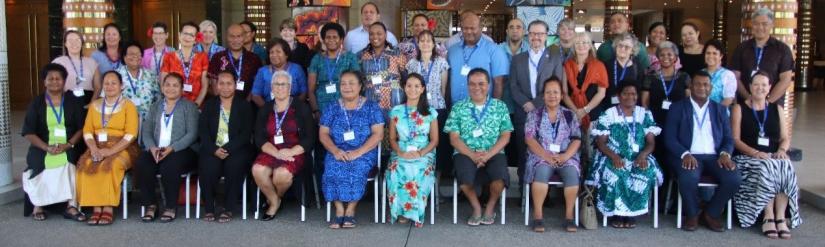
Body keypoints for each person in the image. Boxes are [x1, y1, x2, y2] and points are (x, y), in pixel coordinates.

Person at [664, 71, 741, 232]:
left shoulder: (719, 109)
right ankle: (692, 214)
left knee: (733, 177)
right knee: (688, 175)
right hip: (687, 155)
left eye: (705, 84)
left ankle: (711, 213)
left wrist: (725, 154)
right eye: (697, 84)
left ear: (711, 88)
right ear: (691, 86)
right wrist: (685, 154)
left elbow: (728, 138)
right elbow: (669, 138)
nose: (701, 87)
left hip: (715, 156)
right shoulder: (677, 108)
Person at [731, 72, 800, 238]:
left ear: (769, 87)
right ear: (749, 87)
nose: (760, 88)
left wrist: (782, 151)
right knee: (769, 166)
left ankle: (780, 216)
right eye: (756, 84)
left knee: (785, 165)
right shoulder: (739, 108)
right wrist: (755, 152)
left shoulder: (777, 109)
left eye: (764, 85)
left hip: (773, 156)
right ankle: (768, 215)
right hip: (747, 157)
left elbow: (785, 138)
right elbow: (735, 140)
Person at [586, 81, 663, 229]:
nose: (630, 96)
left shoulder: (644, 114)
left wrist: (643, 156)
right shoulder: (609, 114)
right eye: (626, 93)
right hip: (612, 156)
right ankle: (617, 214)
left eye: (633, 93)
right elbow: (601, 143)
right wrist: (614, 157)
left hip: (639, 156)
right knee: (617, 173)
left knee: (645, 172)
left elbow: (651, 143)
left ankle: (631, 214)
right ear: (619, 96)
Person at [444, 68, 513, 226]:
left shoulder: (500, 106)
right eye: (472, 84)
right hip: (465, 152)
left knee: (500, 177)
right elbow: (454, 139)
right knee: (464, 176)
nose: (477, 88)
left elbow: (505, 136)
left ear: (488, 85)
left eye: (481, 83)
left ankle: (489, 207)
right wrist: (473, 155)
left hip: (493, 152)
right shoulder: (458, 108)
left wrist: (487, 155)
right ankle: (476, 207)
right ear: (467, 86)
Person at [21, 64, 87, 222]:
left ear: (64, 81)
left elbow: (81, 128)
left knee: (70, 160)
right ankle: (38, 204)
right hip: (43, 145)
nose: (54, 81)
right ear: (44, 82)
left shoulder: (73, 102)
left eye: (58, 78)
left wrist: (69, 144)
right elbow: (28, 132)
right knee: (38, 162)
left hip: (68, 144)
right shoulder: (36, 103)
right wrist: (46, 147)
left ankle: (71, 205)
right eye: (50, 78)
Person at [320, 70, 384, 229]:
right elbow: (323, 134)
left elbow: (378, 134)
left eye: (351, 83)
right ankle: (339, 210)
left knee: (356, 167)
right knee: (332, 167)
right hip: (338, 150)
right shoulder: (331, 107)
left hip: (364, 152)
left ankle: (350, 210)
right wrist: (335, 151)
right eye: (343, 84)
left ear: (360, 86)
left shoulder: (371, 107)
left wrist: (358, 152)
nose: (347, 87)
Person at [76, 71, 140, 225]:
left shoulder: (128, 106)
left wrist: (110, 151)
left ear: (121, 86)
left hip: (123, 147)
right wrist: (93, 149)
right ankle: (96, 208)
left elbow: (131, 134)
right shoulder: (95, 105)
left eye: (113, 83)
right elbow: (87, 130)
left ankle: (108, 208)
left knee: (109, 166)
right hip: (97, 146)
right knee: (86, 165)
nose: (110, 86)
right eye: (106, 83)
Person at [509, 20, 566, 191]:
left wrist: (535, 104)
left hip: (546, 114)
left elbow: (557, 86)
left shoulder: (554, 58)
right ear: (528, 35)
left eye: (540, 34)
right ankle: (523, 192)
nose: (536, 37)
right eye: (533, 33)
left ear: (546, 36)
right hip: (523, 112)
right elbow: (513, 86)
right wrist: (526, 103)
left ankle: (544, 194)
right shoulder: (518, 59)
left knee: (544, 153)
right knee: (523, 153)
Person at [135, 73, 200, 223]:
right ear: (162, 87)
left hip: (183, 150)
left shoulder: (189, 106)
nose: (171, 88)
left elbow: (192, 134)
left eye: (175, 85)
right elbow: (147, 130)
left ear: (182, 89)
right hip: (157, 148)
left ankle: (171, 207)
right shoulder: (155, 106)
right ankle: (151, 205)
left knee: (170, 165)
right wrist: (152, 147)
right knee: (142, 163)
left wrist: (172, 148)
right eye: (167, 85)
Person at [251, 70, 316, 220]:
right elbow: (259, 138)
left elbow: (309, 137)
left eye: (283, 84)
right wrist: (276, 153)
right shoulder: (265, 109)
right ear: (271, 87)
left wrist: (291, 151)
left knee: (282, 175)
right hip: (271, 150)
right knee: (257, 170)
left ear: (290, 87)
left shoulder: (302, 107)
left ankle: (273, 199)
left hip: (295, 152)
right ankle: (275, 201)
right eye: (276, 84)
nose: (280, 87)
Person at [524, 77, 581, 233]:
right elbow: (529, 139)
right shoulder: (534, 115)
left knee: (571, 173)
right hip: (541, 155)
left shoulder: (570, 115)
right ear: (543, 96)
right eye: (548, 92)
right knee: (541, 171)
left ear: (562, 96)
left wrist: (565, 156)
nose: (552, 95)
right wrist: (546, 155)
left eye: (556, 92)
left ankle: (569, 217)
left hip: (565, 156)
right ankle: (538, 217)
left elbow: (576, 139)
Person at [196, 71, 254, 223]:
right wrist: (214, 149)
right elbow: (203, 131)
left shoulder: (244, 105)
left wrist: (227, 148)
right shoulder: (209, 105)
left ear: (235, 85)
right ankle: (209, 207)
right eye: (221, 83)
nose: (225, 87)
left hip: (236, 148)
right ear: (216, 85)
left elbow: (246, 133)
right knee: (208, 166)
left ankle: (228, 208)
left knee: (235, 166)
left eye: (229, 83)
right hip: (213, 148)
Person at [385, 73, 439, 228]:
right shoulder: (396, 111)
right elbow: (392, 139)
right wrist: (401, 153)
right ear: (404, 88)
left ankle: (415, 212)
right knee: (396, 170)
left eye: (417, 86)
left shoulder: (430, 113)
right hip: (401, 151)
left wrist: (420, 153)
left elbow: (434, 140)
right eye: (409, 85)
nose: (412, 89)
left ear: (422, 89)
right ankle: (400, 210)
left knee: (416, 168)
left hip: (424, 152)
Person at [405, 30, 451, 178]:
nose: (425, 43)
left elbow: (443, 89)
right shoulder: (411, 64)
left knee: (438, 143)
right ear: (418, 44)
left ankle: (436, 180)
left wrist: (439, 104)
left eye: (428, 40)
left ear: (433, 44)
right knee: (421, 141)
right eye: (422, 40)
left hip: (437, 108)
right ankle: (419, 177)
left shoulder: (441, 63)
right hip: (417, 110)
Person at [562, 32, 608, 172]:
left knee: (591, 152)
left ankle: (590, 189)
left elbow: (601, 93)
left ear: (590, 46)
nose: (581, 45)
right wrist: (576, 112)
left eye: (585, 42)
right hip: (571, 114)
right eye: (578, 43)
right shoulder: (567, 65)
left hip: (592, 115)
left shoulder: (599, 65)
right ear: (573, 46)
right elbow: (564, 93)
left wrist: (585, 110)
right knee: (572, 151)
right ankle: (575, 186)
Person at [730, 7, 794, 106]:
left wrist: (767, 102)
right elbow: (735, 77)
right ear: (752, 25)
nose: (760, 27)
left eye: (764, 24)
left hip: (773, 104)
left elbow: (785, 80)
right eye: (756, 24)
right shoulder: (741, 48)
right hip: (746, 104)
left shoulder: (782, 49)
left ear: (772, 25)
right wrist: (749, 98)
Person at [447, 10, 508, 103]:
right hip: (455, 109)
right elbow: (447, 80)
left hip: (482, 111)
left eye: (472, 28)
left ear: (480, 28)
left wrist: (493, 109)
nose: (468, 31)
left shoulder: (494, 50)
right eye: (465, 28)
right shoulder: (452, 50)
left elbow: (499, 82)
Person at [308, 22, 361, 118]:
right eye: (328, 37)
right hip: (322, 109)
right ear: (323, 40)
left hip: (346, 108)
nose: (331, 40)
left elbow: (358, 84)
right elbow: (311, 90)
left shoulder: (350, 58)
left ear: (341, 40)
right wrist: (316, 111)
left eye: (335, 37)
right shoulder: (317, 59)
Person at [357, 22, 407, 112]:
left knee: (393, 126)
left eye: (379, 33)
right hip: (369, 103)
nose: (375, 36)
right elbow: (358, 80)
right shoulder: (361, 55)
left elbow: (405, 78)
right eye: (371, 34)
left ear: (385, 35)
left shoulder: (397, 54)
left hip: (395, 103)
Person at [208, 24, 263, 101]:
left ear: (244, 37)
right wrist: (222, 103)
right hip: (221, 105)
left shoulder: (254, 59)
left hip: (247, 105)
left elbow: (256, 84)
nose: (235, 40)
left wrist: (245, 104)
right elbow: (214, 83)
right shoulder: (217, 57)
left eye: (239, 36)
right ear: (227, 37)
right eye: (232, 36)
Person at [641, 41, 691, 126]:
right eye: (662, 55)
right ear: (658, 57)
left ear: (675, 57)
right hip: (656, 122)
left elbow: (689, 101)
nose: (665, 57)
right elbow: (644, 103)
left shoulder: (684, 77)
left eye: (669, 54)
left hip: (679, 122)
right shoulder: (650, 78)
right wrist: (649, 125)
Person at [161, 22, 210, 106]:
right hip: (174, 105)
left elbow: (205, 85)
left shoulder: (202, 57)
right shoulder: (168, 57)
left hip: (196, 105)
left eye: (191, 35)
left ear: (196, 39)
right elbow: (163, 83)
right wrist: (172, 104)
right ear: (179, 35)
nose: (187, 37)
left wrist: (196, 105)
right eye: (185, 33)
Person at [252, 37, 308, 106]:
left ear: (286, 54)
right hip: (269, 111)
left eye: (278, 52)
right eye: (271, 52)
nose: (274, 55)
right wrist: (268, 110)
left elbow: (304, 92)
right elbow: (255, 95)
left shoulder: (296, 69)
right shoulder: (262, 71)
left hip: (294, 110)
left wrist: (292, 108)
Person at [600, 33, 646, 115]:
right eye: (620, 45)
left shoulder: (638, 67)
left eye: (627, 47)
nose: (623, 49)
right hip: (609, 108)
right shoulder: (606, 65)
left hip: (631, 109)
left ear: (632, 50)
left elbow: (640, 90)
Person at [52, 30, 101, 105]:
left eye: (77, 40)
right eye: (70, 40)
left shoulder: (92, 62)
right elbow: (53, 85)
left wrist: (92, 102)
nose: (74, 43)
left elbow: (98, 87)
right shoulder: (58, 62)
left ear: (82, 43)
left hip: (88, 100)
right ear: (65, 44)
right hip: (66, 101)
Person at [119, 42, 160, 122]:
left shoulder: (151, 74)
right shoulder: (116, 75)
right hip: (123, 120)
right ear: (124, 57)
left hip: (148, 121)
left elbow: (157, 97)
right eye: (131, 54)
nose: (135, 56)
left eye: (138, 54)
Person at [703, 39, 737, 107]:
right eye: (708, 53)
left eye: (714, 53)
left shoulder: (727, 75)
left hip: (719, 114)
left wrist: (713, 113)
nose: (710, 56)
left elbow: (728, 100)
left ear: (721, 56)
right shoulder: (700, 73)